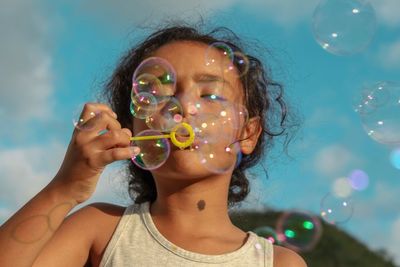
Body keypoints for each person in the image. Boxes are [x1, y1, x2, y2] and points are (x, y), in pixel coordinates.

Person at [0, 24, 306, 267]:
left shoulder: (276, 262)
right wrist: (65, 188)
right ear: (133, 129)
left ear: (249, 134)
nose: (182, 107)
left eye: (209, 95)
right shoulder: (101, 229)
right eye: (157, 94)